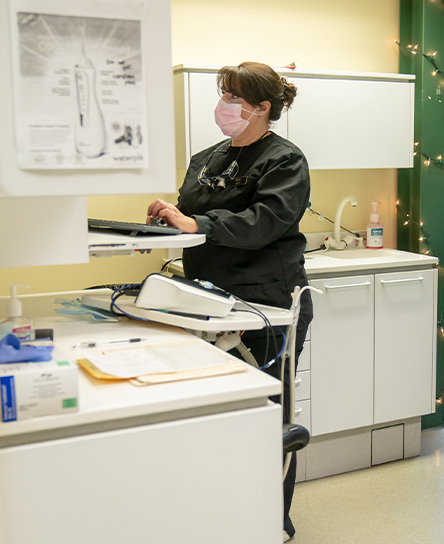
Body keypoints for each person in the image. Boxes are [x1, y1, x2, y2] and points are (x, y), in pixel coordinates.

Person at [146, 61, 310, 541]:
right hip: (208, 300)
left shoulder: (284, 160)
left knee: (266, 415)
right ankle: (223, 519)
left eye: (236, 97)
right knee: (215, 412)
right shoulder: (206, 158)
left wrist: (198, 224)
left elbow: (266, 221)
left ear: (263, 108)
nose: (225, 105)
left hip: (266, 305)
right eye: (224, 94)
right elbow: (191, 218)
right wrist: (166, 220)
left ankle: (271, 523)